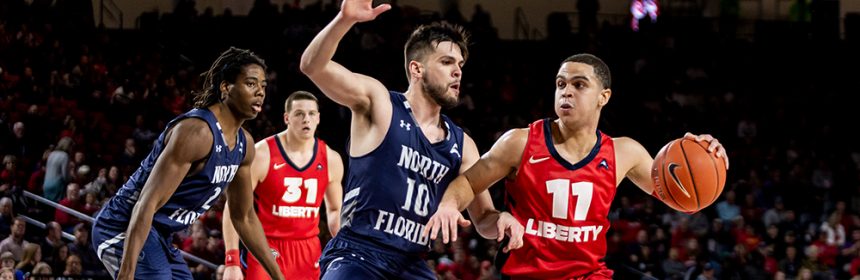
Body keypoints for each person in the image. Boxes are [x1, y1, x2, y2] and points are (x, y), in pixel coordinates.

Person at [424, 53, 729, 279]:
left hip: (589, 274)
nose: (566, 91)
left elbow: (680, 198)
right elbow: (467, 183)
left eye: (579, 84)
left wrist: (707, 157)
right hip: (526, 275)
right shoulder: (520, 142)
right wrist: (450, 205)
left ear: (603, 97)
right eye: (561, 84)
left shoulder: (625, 152)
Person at [300, 0, 523, 279]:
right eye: (446, 62)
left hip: (411, 263)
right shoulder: (380, 103)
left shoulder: (463, 145)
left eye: (460, 64)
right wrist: (344, 20)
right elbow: (312, 66)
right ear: (416, 69)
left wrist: (501, 218)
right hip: (359, 253)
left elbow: (483, 220)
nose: (458, 71)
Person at [91, 47, 284, 280]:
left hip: (160, 234)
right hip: (122, 225)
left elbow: (243, 217)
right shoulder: (197, 132)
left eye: (263, 86)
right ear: (225, 87)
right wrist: (127, 274)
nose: (260, 92)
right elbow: (146, 203)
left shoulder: (245, 145)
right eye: (251, 84)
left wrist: (278, 276)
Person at [222, 91, 344, 280]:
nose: (306, 119)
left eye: (312, 114)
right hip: (266, 246)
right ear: (287, 118)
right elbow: (234, 208)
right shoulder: (261, 154)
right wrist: (232, 261)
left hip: (308, 250)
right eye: (299, 114)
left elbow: (335, 210)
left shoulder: (331, 159)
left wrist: (345, 246)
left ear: (319, 118)